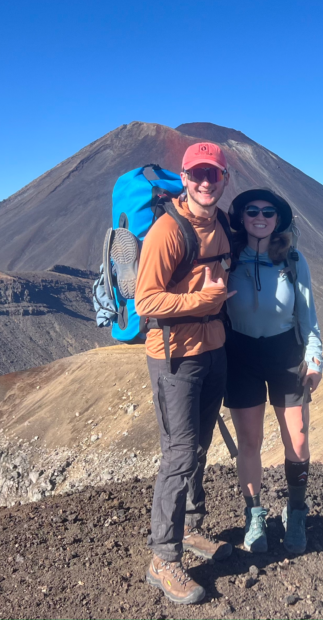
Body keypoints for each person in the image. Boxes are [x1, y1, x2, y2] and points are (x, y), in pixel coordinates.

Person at [133, 141, 235, 605]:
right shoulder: (167, 232)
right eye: (197, 174)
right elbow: (146, 301)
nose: (205, 182)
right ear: (185, 177)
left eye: (213, 174)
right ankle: (163, 558)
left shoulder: (224, 225)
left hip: (213, 351)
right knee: (178, 454)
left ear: (224, 179)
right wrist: (202, 303)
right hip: (174, 356)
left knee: (199, 447)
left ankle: (192, 528)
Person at [224, 188, 323, 555]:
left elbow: (308, 320)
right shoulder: (227, 259)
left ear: (278, 219)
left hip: (285, 355)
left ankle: (296, 511)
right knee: (249, 443)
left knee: (297, 441)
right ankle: (254, 515)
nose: (260, 216)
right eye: (252, 210)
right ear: (242, 217)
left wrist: (314, 361)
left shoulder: (294, 261)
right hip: (241, 355)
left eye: (268, 211)